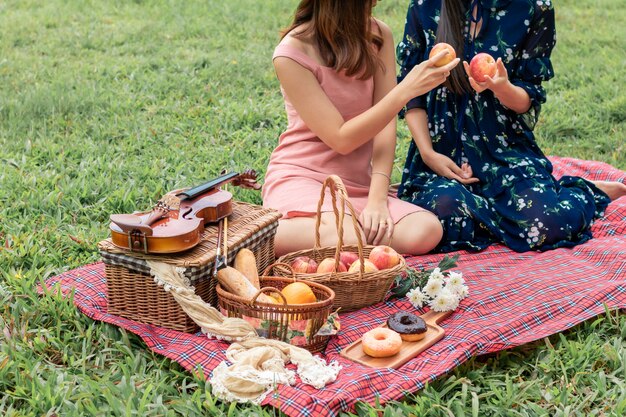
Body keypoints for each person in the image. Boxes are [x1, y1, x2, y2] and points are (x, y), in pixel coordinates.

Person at [395, 0, 626, 253]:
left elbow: (528, 99)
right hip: (442, 154)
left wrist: (501, 87)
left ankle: (583, 192)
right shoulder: (425, 5)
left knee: (546, 225)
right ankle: (507, 212)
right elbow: (411, 92)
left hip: (503, 150)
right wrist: (428, 155)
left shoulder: (533, 8)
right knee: (441, 211)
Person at [262, 0, 460, 257]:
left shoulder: (378, 35)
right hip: (303, 177)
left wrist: (377, 199)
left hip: (357, 184)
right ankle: (261, 234)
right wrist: (405, 91)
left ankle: (345, 235)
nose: (376, 2)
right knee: (339, 235)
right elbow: (341, 138)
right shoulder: (291, 53)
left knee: (425, 230)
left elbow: (385, 123)